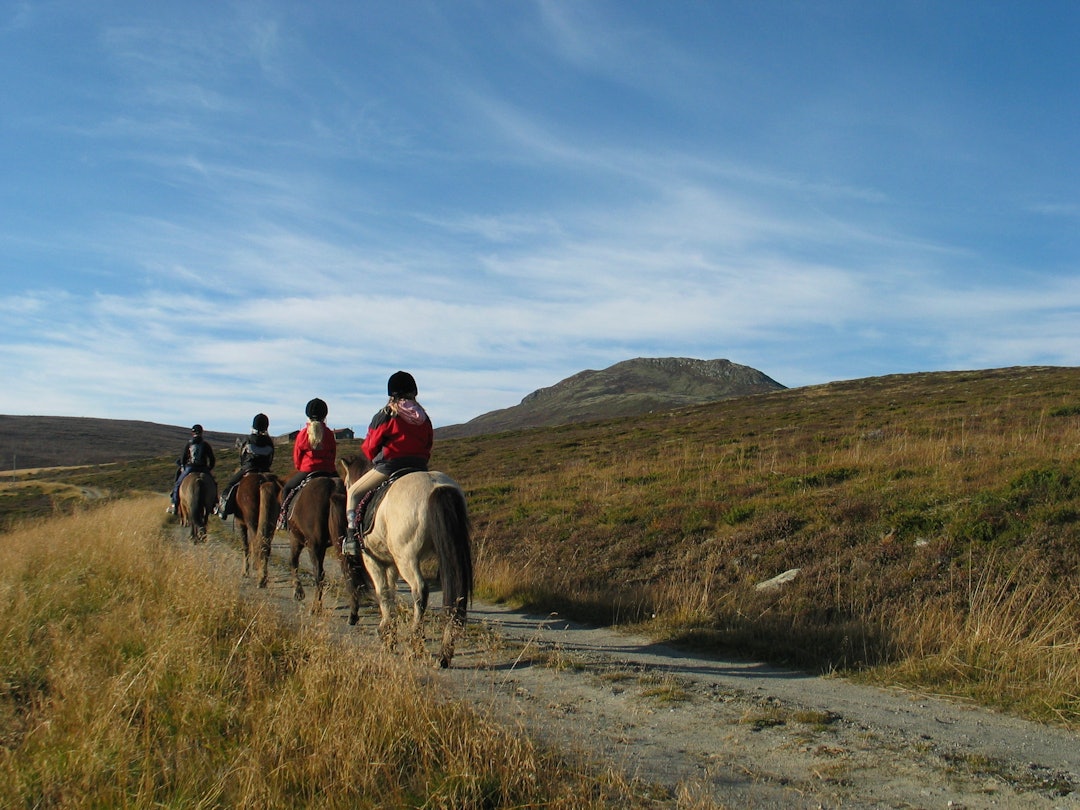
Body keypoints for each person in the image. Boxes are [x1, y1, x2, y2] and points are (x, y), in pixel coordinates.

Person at [343, 371, 433, 554]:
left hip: (390, 466)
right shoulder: (423, 416)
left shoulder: (386, 415)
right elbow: (429, 442)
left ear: (391, 393)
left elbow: (370, 447)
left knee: (352, 493)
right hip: (420, 467)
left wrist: (375, 457)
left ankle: (351, 538)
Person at [278, 398, 338, 525]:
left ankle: (283, 518)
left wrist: (300, 467)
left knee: (287, 489)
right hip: (328, 470)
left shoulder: (303, 433)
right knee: (344, 490)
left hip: (308, 470)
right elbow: (333, 452)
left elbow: (297, 456)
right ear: (324, 415)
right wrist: (329, 466)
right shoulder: (328, 433)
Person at [215, 413, 276, 519]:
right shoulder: (269, 442)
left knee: (230, 485)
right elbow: (270, 459)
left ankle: (223, 509)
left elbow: (242, 459)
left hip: (249, 469)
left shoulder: (247, 440)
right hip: (266, 470)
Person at [169, 424, 216, 513]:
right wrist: (209, 468)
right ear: (202, 432)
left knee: (178, 484)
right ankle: (214, 504)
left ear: (192, 433)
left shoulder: (189, 443)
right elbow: (212, 459)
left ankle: (174, 504)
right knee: (213, 483)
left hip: (190, 468)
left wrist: (183, 466)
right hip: (203, 468)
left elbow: (183, 458)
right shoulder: (205, 445)